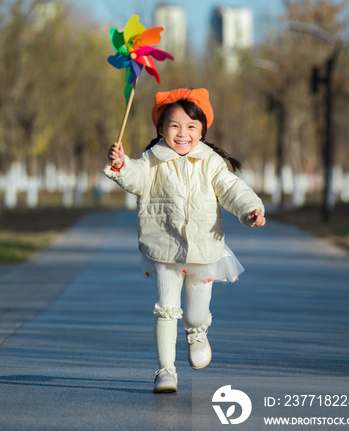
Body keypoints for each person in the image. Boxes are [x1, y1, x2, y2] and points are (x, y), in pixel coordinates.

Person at [104, 88, 266, 394]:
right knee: (166, 309)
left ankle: (197, 332)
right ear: (161, 129)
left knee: (195, 312)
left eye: (191, 127)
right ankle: (166, 370)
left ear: (202, 131)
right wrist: (122, 165)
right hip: (164, 247)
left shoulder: (211, 162)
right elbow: (135, 179)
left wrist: (249, 209)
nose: (182, 133)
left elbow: (231, 189)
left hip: (203, 249)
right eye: (175, 126)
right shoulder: (152, 160)